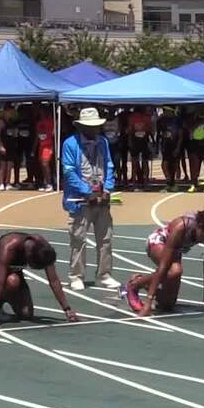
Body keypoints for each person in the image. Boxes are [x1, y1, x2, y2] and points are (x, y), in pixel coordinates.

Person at [122, 209, 204, 316]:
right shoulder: (181, 227)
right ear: (200, 225)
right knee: (175, 270)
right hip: (158, 242)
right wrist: (148, 302)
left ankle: (142, 281)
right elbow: (163, 266)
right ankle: (135, 285)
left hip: (175, 250)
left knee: (168, 304)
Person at [62, 107, 120, 291]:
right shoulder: (70, 144)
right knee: (78, 238)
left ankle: (104, 274)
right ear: (82, 127)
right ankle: (76, 275)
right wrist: (87, 191)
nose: (95, 130)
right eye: (91, 126)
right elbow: (69, 171)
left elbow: (109, 166)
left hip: (101, 198)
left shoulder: (103, 141)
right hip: (80, 200)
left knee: (105, 238)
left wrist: (108, 188)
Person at [0, 232, 79, 329]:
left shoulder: (45, 250)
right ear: (29, 255)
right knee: (12, 281)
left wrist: (67, 310)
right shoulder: (10, 246)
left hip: (13, 270)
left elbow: (54, 281)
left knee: (26, 314)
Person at [156, 107, 184, 192]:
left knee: (174, 164)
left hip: (175, 145)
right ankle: (168, 181)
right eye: (163, 110)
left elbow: (180, 134)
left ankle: (173, 183)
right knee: (164, 164)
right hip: (165, 145)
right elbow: (158, 134)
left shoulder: (177, 120)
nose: (164, 112)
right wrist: (157, 146)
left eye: (166, 111)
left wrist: (178, 147)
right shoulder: (161, 120)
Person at [128, 106, 152, 189]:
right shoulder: (146, 117)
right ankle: (145, 183)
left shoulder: (134, 117)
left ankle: (136, 183)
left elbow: (130, 130)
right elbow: (149, 131)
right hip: (141, 141)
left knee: (137, 162)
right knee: (143, 162)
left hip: (139, 141)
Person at [34, 104, 56, 191]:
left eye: (42, 111)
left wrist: (52, 148)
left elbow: (54, 134)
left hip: (48, 145)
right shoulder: (38, 123)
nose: (41, 113)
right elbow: (37, 136)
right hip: (41, 146)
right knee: (42, 165)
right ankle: (46, 182)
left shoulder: (51, 121)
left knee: (45, 163)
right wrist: (34, 148)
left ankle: (50, 183)